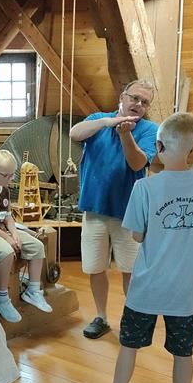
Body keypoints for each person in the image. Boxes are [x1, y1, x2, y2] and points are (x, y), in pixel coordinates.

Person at [100, 113, 193, 383]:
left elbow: (137, 235)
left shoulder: (144, 187)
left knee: (129, 347)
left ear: (157, 146)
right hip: (185, 293)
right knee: (184, 354)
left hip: (146, 289)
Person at [69, 79, 159, 339]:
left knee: (131, 270)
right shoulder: (99, 119)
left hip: (129, 214)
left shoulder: (150, 130)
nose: (138, 104)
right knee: (96, 267)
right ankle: (101, 317)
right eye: (134, 98)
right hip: (94, 210)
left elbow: (137, 164)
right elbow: (75, 133)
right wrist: (108, 123)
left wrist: (125, 134)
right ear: (122, 97)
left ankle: (133, 320)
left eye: (144, 102)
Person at [0, 149, 52, 323]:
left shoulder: (4, 189)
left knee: (37, 246)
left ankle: (33, 290)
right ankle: (2, 297)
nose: (10, 179)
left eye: (12, 175)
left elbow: (8, 217)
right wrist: (7, 238)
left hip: (2, 230)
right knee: (6, 252)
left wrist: (15, 234)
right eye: (6, 175)